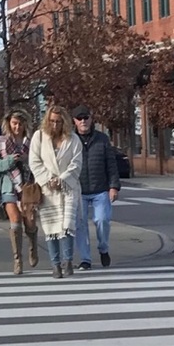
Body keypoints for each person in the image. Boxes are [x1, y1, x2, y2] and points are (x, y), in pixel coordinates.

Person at [30, 106, 82, 279]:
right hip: (47, 189)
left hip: (68, 188)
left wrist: (62, 179)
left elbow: (76, 163)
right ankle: (55, 264)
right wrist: (49, 179)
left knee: (67, 226)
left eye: (58, 122)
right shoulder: (39, 137)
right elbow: (34, 161)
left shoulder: (73, 139)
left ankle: (68, 261)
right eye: (51, 121)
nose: (55, 125)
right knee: (51, 227)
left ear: (64, 122)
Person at [0, 111, 38, 274]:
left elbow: (39, 163)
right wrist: (9, 161)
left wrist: (26, 161)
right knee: (15, 220)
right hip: (8, 186)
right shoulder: (1, 143)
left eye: (20, 124)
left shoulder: (31, 143)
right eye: (14, 123)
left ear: (25, 125)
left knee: (29, 222)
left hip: (27, 187)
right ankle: (18, 260)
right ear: (9, 123)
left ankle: (33, 247)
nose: (17, 127)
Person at [72, 105, 120, 269]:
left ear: (91, 119)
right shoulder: (71, 140)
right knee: (80, 225)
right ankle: (85, 259)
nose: (83, 121)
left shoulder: (102, 139)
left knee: (102, 220)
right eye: (80, 118)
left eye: (86, 118)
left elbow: (111, 164)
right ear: (75, 121)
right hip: (79, 190)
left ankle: (103, 248)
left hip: (100, 189)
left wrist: (114, 186)